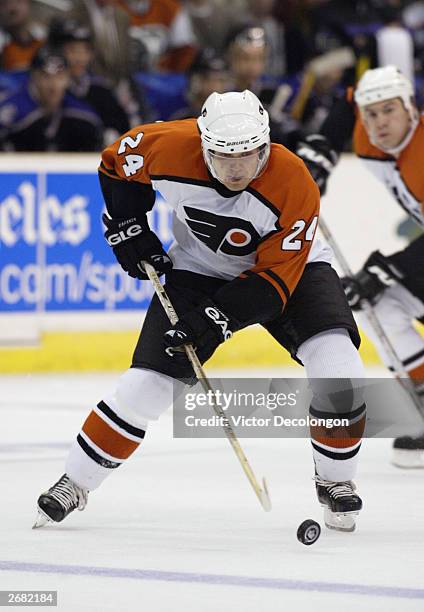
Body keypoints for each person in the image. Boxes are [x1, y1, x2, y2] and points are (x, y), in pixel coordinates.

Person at [34, 89, 366, 533]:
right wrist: (128, 226)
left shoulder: (294, 181)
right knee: (147, 384)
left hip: (293, 272)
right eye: (222, 155)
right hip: (198, 266)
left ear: (265, 145)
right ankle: (74, 481)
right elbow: (115, 165)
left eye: (247, 155)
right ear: (203, 142)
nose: (234, 167)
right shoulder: (169, 144)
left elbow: (274, 284)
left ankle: (336, 483)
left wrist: (216, 321)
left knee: (338, 366)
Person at [296, 65, 424, 467]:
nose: (378, 122)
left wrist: (386, 269)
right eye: (371, 114)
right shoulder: (369, 129)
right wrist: (322, 151)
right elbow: (349, 103)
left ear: (411, 108)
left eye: (388, 111)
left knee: (378, 286)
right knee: (380, 304)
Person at [0, 45, 102, 152]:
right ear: (34, 77)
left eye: (60, 76)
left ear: (68, 78)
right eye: (46, 76)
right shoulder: (11, 113)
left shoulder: (84, 117)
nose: (53, 85)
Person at [48, 19, 131, 144]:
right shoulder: (48, 88)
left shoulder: (101, 89)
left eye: (85, 51)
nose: (79, 58)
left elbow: (122, 127)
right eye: (72, 50)